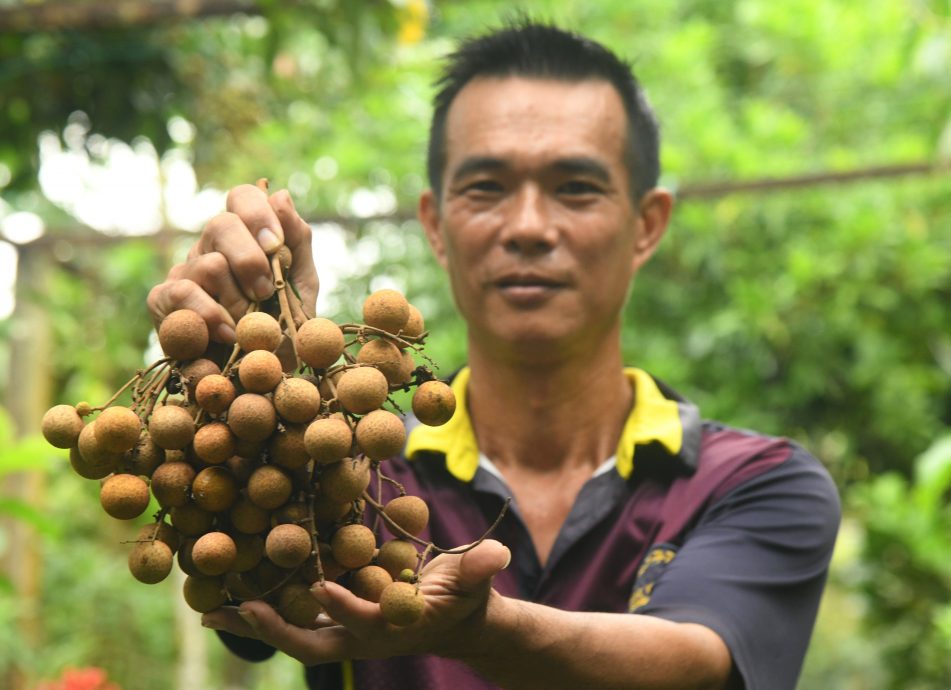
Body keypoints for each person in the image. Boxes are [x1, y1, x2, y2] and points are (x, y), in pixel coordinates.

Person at [148, 20, 840, 690]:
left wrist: (487, 631)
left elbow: (696, 660)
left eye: (576, 187)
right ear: (435, 226)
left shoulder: (752, 482)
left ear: (646, 225)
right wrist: (241, 381)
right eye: (485, 188)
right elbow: (243, 588)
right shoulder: (346, 470)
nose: (529, 227)